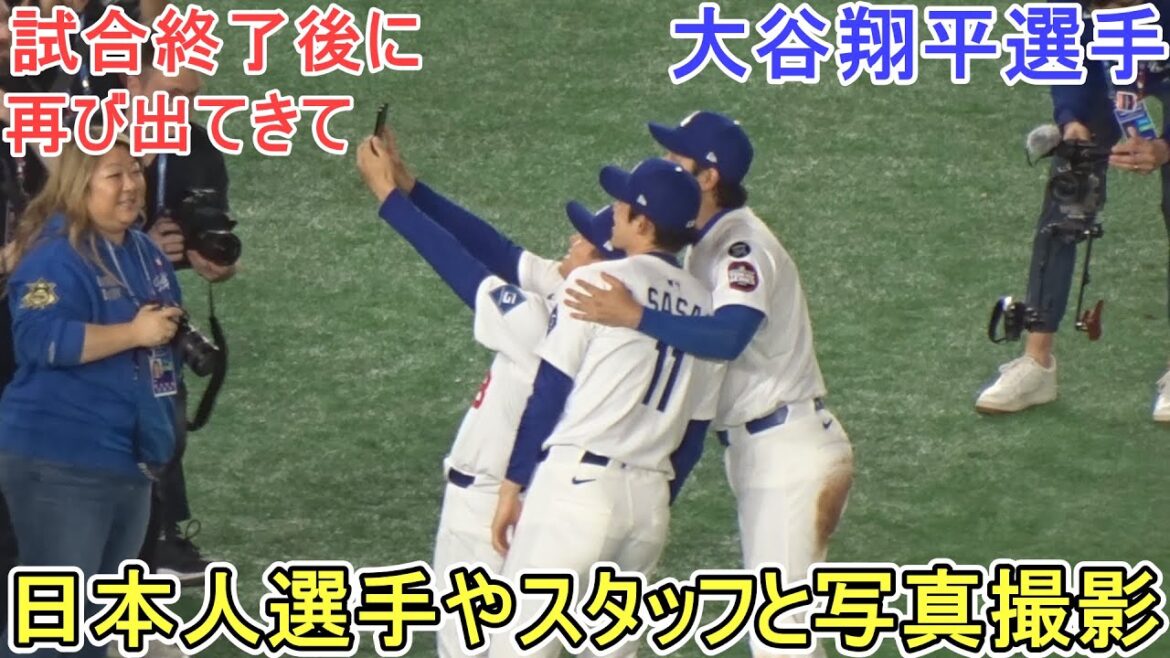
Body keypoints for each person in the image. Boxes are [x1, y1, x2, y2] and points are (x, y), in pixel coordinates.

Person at [564, 111, 853, 658]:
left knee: (784, 639)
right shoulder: (705, 244)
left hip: (787, 447)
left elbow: (729, 336)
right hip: (761, 445)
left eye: (679, 159)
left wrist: (635, 317)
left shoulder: (742, 246)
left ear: (709, 178)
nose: (669, 164)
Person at [488, 158, 720, 658]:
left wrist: (512, 486)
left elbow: (549, 392)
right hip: (648, 508)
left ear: (643, 223)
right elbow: (694, 436)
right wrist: (649, 498)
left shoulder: (597, 284)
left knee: (518, 647)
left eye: (625, 204)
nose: (615, 209)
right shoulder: (706, 311)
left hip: (578, 492)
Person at [0, 128, 184, 658]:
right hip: (59, 459)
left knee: (101, 623)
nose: (131, 185)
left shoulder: (144, 250)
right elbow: (38, 339)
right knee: (55, 628)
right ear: (80, 186)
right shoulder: (54, 256)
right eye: (114, 175)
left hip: (129, 460)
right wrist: (134, 333)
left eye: (135, 172)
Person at [975, 0, 1170, 420]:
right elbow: (1066, 65)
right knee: (1070, 185)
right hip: (1115, 71)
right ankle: (1037, 362)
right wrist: (1074, 122)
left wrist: (1163, 146)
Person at [124, 44, 237, 582]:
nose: (178, 111)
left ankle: (164, 536)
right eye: (169, 95)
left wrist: (202, 255)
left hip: (161, 312)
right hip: (97, 305)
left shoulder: (197, 147)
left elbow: (204, 221)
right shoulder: (95, 149)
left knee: (165, 418)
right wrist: (141, 240)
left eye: (190, 99)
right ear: (131, 84)